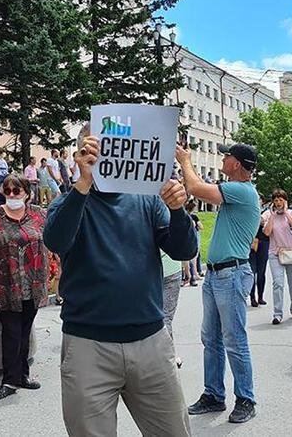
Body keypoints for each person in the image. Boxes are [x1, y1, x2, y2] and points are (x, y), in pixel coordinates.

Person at [45, 134, 196, 436]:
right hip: (88, 347)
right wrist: (82, 185)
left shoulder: (148, 198)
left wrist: (178, 211)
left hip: (150, 342)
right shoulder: (68, 201)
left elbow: (184, 250)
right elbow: (57, 240)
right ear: (81, 154)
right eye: (93, 150)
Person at [176, 142, 259, 423]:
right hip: (216, 274)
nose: (222, 159)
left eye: (226, 156)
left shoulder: (242, 190)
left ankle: (246, 398)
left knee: (234, 340)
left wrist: (186, 160)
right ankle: (213, 394)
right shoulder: (237, 192)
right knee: (211, 339)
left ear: (237, 164)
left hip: (231, 274)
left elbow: (196, 190)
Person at [0, 174, 49, 400]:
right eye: (7, 191)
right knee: (11, 333)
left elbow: (51, 240)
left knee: (25, 331)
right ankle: (9, 380)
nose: (11, 195)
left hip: (33, 282)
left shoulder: (38, 214)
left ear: (26, 192)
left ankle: (23, 375)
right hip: (6, 285)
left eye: (16, 191)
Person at [263, 189, 292, 325]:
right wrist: (272, 216)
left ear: (285, 200)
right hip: (275, 253)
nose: (278, 202)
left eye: (281, 200)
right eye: (276, 200)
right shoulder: (268, 214)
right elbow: (267, 232)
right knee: (278, 283)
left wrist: (285, 212)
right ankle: (277, 313)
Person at [161, 251, 185, 368]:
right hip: (172, 268)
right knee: (166, 317)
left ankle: (168, 356)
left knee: (162, 318)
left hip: (151, 269)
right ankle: (170, 355)